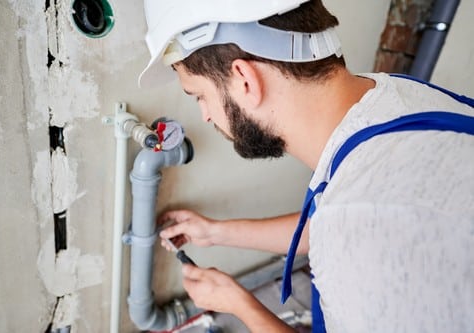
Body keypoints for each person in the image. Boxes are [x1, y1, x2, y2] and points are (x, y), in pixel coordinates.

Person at [138, 0, 474, 332]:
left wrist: (239, 303)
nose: (206, 114)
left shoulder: (364, 241)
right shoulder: (394, 95)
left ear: (244, 79)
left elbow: (355, 228)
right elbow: (337, 224)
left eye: (199, 95)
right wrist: (215, 232)